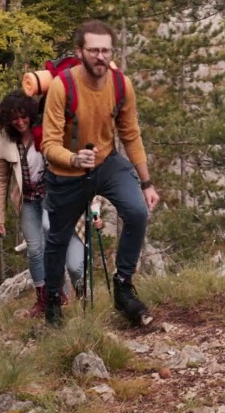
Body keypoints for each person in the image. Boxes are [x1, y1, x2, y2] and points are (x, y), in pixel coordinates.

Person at [40, 20, 160, 327]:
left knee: (136, 212)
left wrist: (146, 182)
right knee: (57, 239)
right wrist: (74, 158)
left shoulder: (121, 85)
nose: (100, 56)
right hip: (66, 170)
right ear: (80, 51)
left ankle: (123, 287)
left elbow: (131, 134)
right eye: (93, 49)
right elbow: (48, 144)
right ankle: (52, 304)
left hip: (106, 162)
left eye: (106, 50)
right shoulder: (61, 86)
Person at [0, 91, 85, 316]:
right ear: (8, 119)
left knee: (56, 240)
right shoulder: (5, 139)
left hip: (53, 197)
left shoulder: (45, 129)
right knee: (34, 250)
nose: (20, 122)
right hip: (28, 201)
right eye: (15, 118)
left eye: (24, 116)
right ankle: (45, 298)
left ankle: (72, 290)